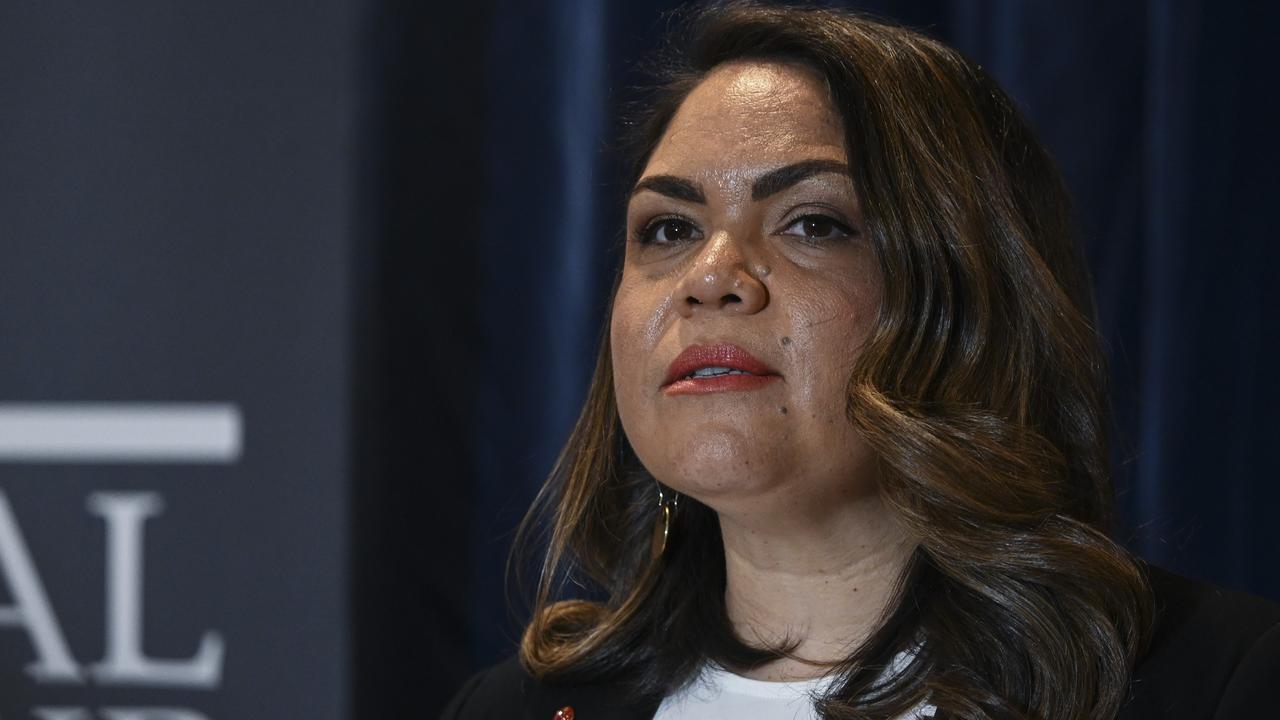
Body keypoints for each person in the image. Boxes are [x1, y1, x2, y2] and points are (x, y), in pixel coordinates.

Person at [443, 3, 1280, 718]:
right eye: (669, 229)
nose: (709, 277)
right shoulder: (509, 707)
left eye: (814, 223)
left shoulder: (1220, 682)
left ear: (973, 295)